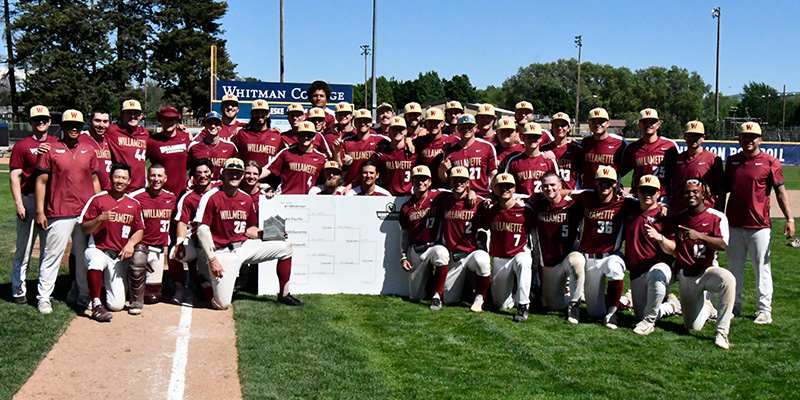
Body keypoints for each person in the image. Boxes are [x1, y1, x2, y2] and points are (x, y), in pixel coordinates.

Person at [195, 158, 304, 309]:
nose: (234, 176)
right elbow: (202, 230)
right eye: (231, 173)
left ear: (241, 176)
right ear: (223, 174)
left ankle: (284, 295)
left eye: (238, 174)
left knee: (285, 248)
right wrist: (213, 260)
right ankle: (204, 283)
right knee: (222, 304)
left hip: (243, 246)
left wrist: (272, 233)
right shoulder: (211, 196)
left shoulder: (245, 198)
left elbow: (248, 229)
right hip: (222, 252)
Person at [724, 121, 794, 324]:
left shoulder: (770, 162)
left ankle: (764, 309)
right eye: (745, 136)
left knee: (762, 269)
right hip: (734, 225)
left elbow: (781, 193)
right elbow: (723, 191)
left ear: (760, 140)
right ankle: (733, 307)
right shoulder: (732, 162)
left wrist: (789, 218)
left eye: (753, 137)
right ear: (739, 139)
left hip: (759, 226)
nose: (749, 140)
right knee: (733, 270)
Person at [34, 110, 100, 313]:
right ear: (61, 127)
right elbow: (41, 181)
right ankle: (44, 297)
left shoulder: (89, 150)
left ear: (82, 128)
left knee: (83, 256)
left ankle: (83, 295)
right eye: (70, 125)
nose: (74, 128)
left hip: (85, 213)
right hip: (59, 211)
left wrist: (98, 208)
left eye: (78, 125)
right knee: (52, 255)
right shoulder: (50, 150)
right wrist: (40, 211)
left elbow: (95, 180)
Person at [665, 178, 735, 349]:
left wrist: (701, 236)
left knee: (728, 280)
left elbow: (722, 244)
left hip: (708, 270)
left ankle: (722, 333)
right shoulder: (679, 218)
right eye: (687, 192)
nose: (691, 195)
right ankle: (707, 309)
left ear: (704, 194)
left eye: (695, 191)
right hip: (687, 275)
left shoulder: (716, 217)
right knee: (692, 327)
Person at [80, 163, 145, 321]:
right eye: (117, 177)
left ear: (129, 181)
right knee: (96, 261)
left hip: (117, 257)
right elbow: (84, 229)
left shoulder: (133, 204)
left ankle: (100, 291)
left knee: (117, 305)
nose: (120, 181)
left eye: (124, 178)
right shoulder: (98, 199)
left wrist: (130, 244)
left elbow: (140, 230)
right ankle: (96, 303)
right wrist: (99, 219)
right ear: (110, 178)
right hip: (97, 249)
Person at [9, 105, 57, 304]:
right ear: (30, 122)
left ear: (49, 121)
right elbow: (14, 175)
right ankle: (18, 288)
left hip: (51, 202)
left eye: (44, 119)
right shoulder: (22, 145)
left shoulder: (56, 142)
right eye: (37, 119)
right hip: (29, 200)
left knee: (49, 249)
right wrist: (19, 203)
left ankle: (45, 291)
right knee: (24, 247)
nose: (41, 122)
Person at [623, 175, 681, 335]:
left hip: (661, 269)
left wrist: (660, 238)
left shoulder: (664, 217)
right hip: (637, 273)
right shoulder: (630, 210)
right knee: (639, 315)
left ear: (658, 194)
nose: (647, 194)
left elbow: (676, 250)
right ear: (637, 192)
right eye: (644, 190)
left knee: (657, 275)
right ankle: (671, 306)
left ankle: (649, 323)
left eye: (651, 191)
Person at [571, 166, 628, 328]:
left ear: (615, 184)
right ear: (596, 183)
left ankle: (613, 312)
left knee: (615, 269)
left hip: (611, 255)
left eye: (609, 183)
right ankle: (623, 300)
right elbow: (566, 193)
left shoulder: (624, 202)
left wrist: (664, 206)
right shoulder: (586, 197)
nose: (605, 186)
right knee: (594, 313)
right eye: (602, 183)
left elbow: (647, 203)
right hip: (590, 257)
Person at [433, 166, 490, 312]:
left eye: (462, 181)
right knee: (450, 299)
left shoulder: (477, 201)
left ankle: (480, 298)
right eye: (455, 181)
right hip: (454, 258)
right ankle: (466, 289)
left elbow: (493, 197)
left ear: (467, 183)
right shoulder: (444, 199)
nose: (459, 184)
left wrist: (473, 193)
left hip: (471, 254)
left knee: (482, 259)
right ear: (450, 183)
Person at [530, 172, 585, 323]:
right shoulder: (538, 206)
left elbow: (592, 196)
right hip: (549, 264)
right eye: (545, 186)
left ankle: (575, 305)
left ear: (561, 186)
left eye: (553, 185)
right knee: (552, 305)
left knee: (577, 261)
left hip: (567, 257)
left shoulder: (574, 205)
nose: (549, 189)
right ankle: (568, 293)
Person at [479, 173, 534, 322]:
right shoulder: (490, 210)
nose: (505, 189)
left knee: (523, 262)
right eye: (501, 186)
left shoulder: (525, 210)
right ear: (495, 189)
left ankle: (523, 305)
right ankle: (515, 291)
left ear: (514, 188)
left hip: (519, 253)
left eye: (508, 186)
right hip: (500, 257)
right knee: (501, 304)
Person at [399, 166, 449, 307]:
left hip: (433, 245)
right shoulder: (406, 207)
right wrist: (403, 256)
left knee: (442, 254)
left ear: (430, 182)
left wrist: (471, 193)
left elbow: (457, 191)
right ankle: (430, 283)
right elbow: (404, 234)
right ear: (412, 182)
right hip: (416, 249)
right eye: (417, 180)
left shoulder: (438, 197)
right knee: (415, 296)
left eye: (424, 180)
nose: (421, 183)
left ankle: (437, 295)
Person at [171, 159, 218, 304]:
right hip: (193, 241)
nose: (202, 176)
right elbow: (182, 222)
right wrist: (179, 243)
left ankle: (203, 282)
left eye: (206, 172)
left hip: (214, 244)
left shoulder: (220, 192)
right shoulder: (188, 197)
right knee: (174, 254)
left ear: (212, 174)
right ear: (193, 176)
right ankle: (180, 287)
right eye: (199, 173)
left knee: (210, 295)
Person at [131, 164, 177, 306]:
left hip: (159, 251)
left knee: (152, 297)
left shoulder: (171, 198)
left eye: (159, 176)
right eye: (153, 175)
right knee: (131, 293)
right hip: (140, 249)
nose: (156, 179)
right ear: (148, 177)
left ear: (165, 178)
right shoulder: (136, 197)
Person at [620, 108, 677, 196]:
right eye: (644, 122)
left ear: (658, 124)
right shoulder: (632, 148)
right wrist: (619, 187)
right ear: (639, 125)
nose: (648, 125)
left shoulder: (670, 146)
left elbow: (678, 173)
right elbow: (619, 171)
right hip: (639, 197)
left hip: (662, 197)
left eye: (652, 122)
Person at [671, 121, 725, 214]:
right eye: (690, 136)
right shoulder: (677, 159)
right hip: (680, 211)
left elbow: (721, 189)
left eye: (697, 136)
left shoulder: (713, 159)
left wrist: (720, 212)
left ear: (703, 137)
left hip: (705, 211)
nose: (693, 139)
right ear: (684, 137)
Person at [438, 114, 498, 196]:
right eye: (463, 127)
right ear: (458, 129)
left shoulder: (487, 147)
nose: (466, 130)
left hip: (482, 194)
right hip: (459, 195)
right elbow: (446, 179)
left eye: (470, 127)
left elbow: (493, 173)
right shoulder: (451, 151)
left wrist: (493, 194)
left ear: (475, 128)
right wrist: (441, 171)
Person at [263, 121, 327, 195]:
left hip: (309, 200)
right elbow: (269, 169)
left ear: (314, 137)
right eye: (302, 135)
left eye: (310, 135)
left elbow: (328, 180)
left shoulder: (321, 158)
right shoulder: (286, 152)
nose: (306, 137)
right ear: (297, 136)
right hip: (286, 197)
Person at [334, 109, 389, 188]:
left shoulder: (380, 140)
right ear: (355, 123)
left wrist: (408, 140)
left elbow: (396, 144)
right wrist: (337, 152)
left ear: (371, 123)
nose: (363, 124)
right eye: (359, 121)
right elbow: (338, 167)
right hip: (350, 187)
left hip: (372, 186)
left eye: (366, 121)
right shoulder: (346, 141)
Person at [504, 122, 559, 195]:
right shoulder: (514, 161)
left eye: (536, 137)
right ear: (523, 138)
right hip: (521, 202)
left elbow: (557, 185)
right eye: (529, 136)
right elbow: (506, 186)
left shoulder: (549, 160)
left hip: (543, 202)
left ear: (540, 139)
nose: (532, 139)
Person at [105, 99, 149, 191]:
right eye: (128, 113)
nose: (132, 116)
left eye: (136, 113)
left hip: (140, 187)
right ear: (122, 115)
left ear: (141, 116)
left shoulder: (145, 133)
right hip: (120, 187)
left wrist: (178, 127)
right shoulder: (112, 131)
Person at [147, 106, 191, 196]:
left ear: (177, 121)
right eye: (165, 119)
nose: (169, 123)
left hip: (182, 191)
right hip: (160, 192)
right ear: (160, 120)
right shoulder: (153, 141)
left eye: (172, 119)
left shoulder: (186, 138)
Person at [580, 108, 626, 190]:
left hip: (610, 191)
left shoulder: (620, 142)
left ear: (608, 123)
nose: (597, 125)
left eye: (601, 122)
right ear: (589, 124)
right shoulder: (585, 142)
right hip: (589, 191)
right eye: (594, 121)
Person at [232, 99, 284, 167]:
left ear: (268, 114)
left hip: (270, 177)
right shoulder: (241, 134)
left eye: (263, 112)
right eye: (256, 112)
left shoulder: (277, 137)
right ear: (251, 114)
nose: (260, 115)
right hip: (248, 176)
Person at [414, 107, 457, 188]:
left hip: (445, 187)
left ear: (442, 123)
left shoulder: (451, 140)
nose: (433, 125)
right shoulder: (418, 142)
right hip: (424, 187)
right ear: (425, 123)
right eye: (430, 122)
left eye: (436, 122)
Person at [187, 111, 239, 179]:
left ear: (221, 126)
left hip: (222, 187)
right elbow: (185, 168)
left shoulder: (230, 147)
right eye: (210, 123)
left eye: (216, 123)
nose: (213, 126)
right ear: (205, 125)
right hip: (200, 187)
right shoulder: (194, 146)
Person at [374, 116, 417, 196]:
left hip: (408, 196)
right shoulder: (381, 153)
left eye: (400, 129)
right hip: (386, 196)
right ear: (389, 131)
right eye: (394, 129)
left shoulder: (413, 151)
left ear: (406, 131)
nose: (397, 131)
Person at [541, 112, 583, 190]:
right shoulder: (544, 149)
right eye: (557, 125)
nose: (560, 128)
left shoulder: (577, 149)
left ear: (568, 128)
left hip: (572, 193)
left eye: (563, 125)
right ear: (552, 127)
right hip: (550, 192)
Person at [79, 107, 113, 191]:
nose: (101, 125)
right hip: (89, 190)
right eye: (97, 121)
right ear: (90, 121)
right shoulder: (81, 139)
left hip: (109, 191)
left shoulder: (110, 139)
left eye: (105, 122)